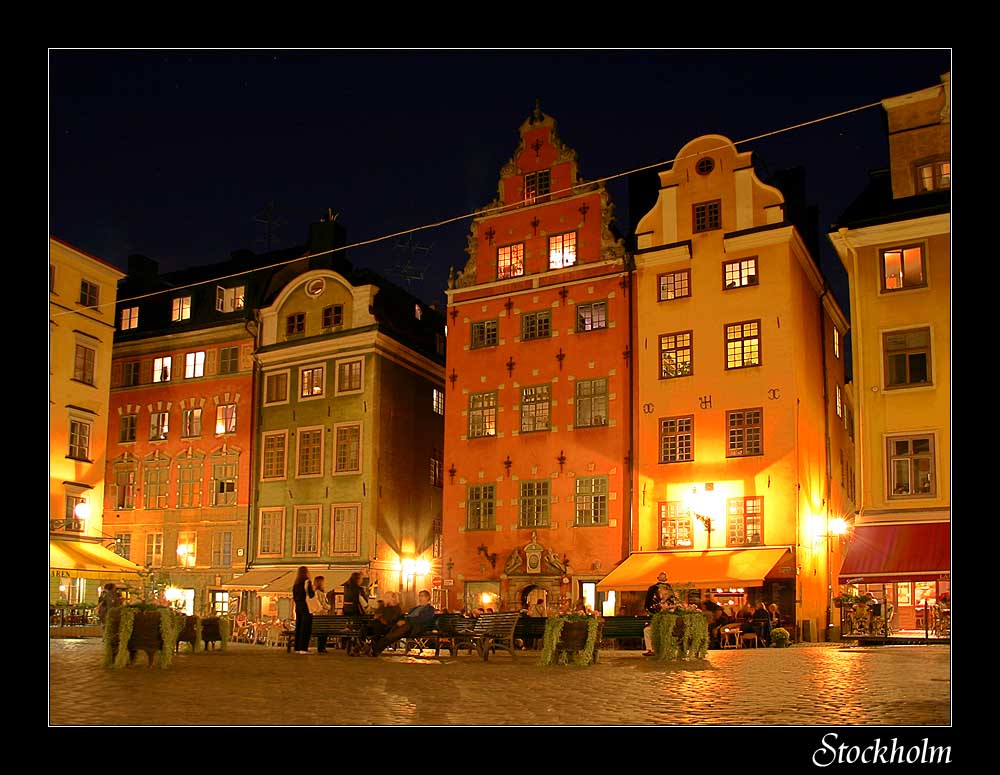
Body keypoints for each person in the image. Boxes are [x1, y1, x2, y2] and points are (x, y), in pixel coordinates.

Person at [371, 589, 437, 657]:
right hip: (406, 625)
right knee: (391, 631)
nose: (420, 598)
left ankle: (376, 648)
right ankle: (376, 648)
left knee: (394, 634)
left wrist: (406, 620)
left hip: (415, 627)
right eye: (419, 596)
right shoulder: (415, 608)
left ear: (427, 598)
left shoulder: (430, 609)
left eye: (422, 596)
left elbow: (422, 619)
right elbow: (406, 616)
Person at [291, 566, 315, 654]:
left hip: (298, 606)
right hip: (306, 606)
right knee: (306, 627)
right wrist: (313, 589)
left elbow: (294, 596)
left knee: (299, 626)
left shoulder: (296, 584)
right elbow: (311, 595)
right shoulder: (307, 582)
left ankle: (297, 647)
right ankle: (303, 648)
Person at [642, 588, 671, 655]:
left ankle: (665, 650)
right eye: (662, 593)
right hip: (657, 624)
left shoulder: (671, 601)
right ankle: (650, 650)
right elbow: (654, 611)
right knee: (647, 630)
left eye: (665, 593)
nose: (663, 594)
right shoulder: (656, 601)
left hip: (668, 625)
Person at [308, 575, 330, 653]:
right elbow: (324, 604)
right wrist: (329, 607)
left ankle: (321, 647)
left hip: (316, 616)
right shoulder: (320, 593)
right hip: (322, 615)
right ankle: (321, 647)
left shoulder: (314, 592)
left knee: (322, 631)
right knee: (323, 631)